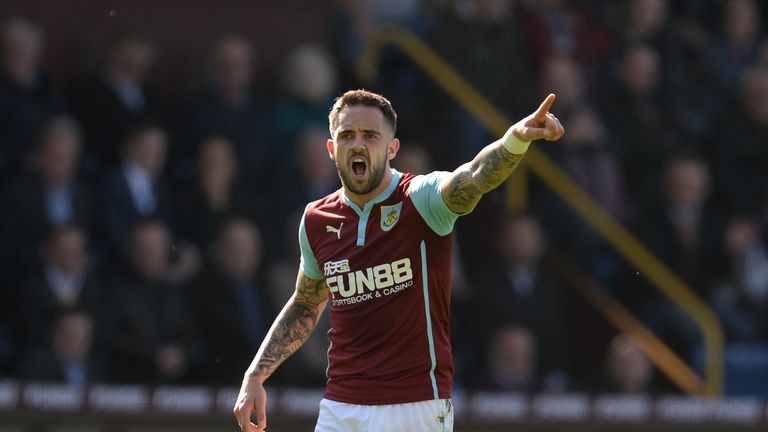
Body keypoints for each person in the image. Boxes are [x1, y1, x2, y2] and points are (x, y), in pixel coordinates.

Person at [232, 89, 564, 431]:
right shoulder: (316, 220)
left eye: (371, 136)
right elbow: (305, 305)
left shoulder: (421, 199)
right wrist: (255, 374)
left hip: (416, 406)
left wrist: (516, 139)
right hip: (341, 405)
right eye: (347, 135)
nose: (358, 145)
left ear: (392, 149)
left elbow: (475, 176)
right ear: (332, 149)